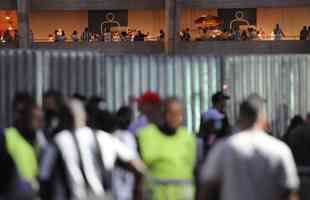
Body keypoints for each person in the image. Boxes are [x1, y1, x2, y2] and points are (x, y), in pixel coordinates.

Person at [40, 98, 146, 200]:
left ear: (61, 118)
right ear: (85, 116)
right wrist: (138, 193)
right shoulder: (104, 138)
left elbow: (44, 179)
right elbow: (139, 168)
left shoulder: (56, 143)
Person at [201, 94, 300, 200]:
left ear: (240, 118)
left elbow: (208, 188)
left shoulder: (223, 148)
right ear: (263, 117)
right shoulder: (280, 150)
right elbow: (290, 192)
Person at [138, 97, 196, 200]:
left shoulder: (188, 138)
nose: (175, 118)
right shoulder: (146, 135)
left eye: (179, 114)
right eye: (171, 114)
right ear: (162, 114)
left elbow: (192, 167)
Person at [4, 93, 44, 198]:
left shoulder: (41, 140)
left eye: (41, 120)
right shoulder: (8, 136)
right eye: (35, 119)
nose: (39, 124)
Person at [112, 106, 139, 200]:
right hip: (125, 182)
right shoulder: (128, 137)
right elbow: (133, 160)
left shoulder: (112, 135)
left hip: (116, 182)